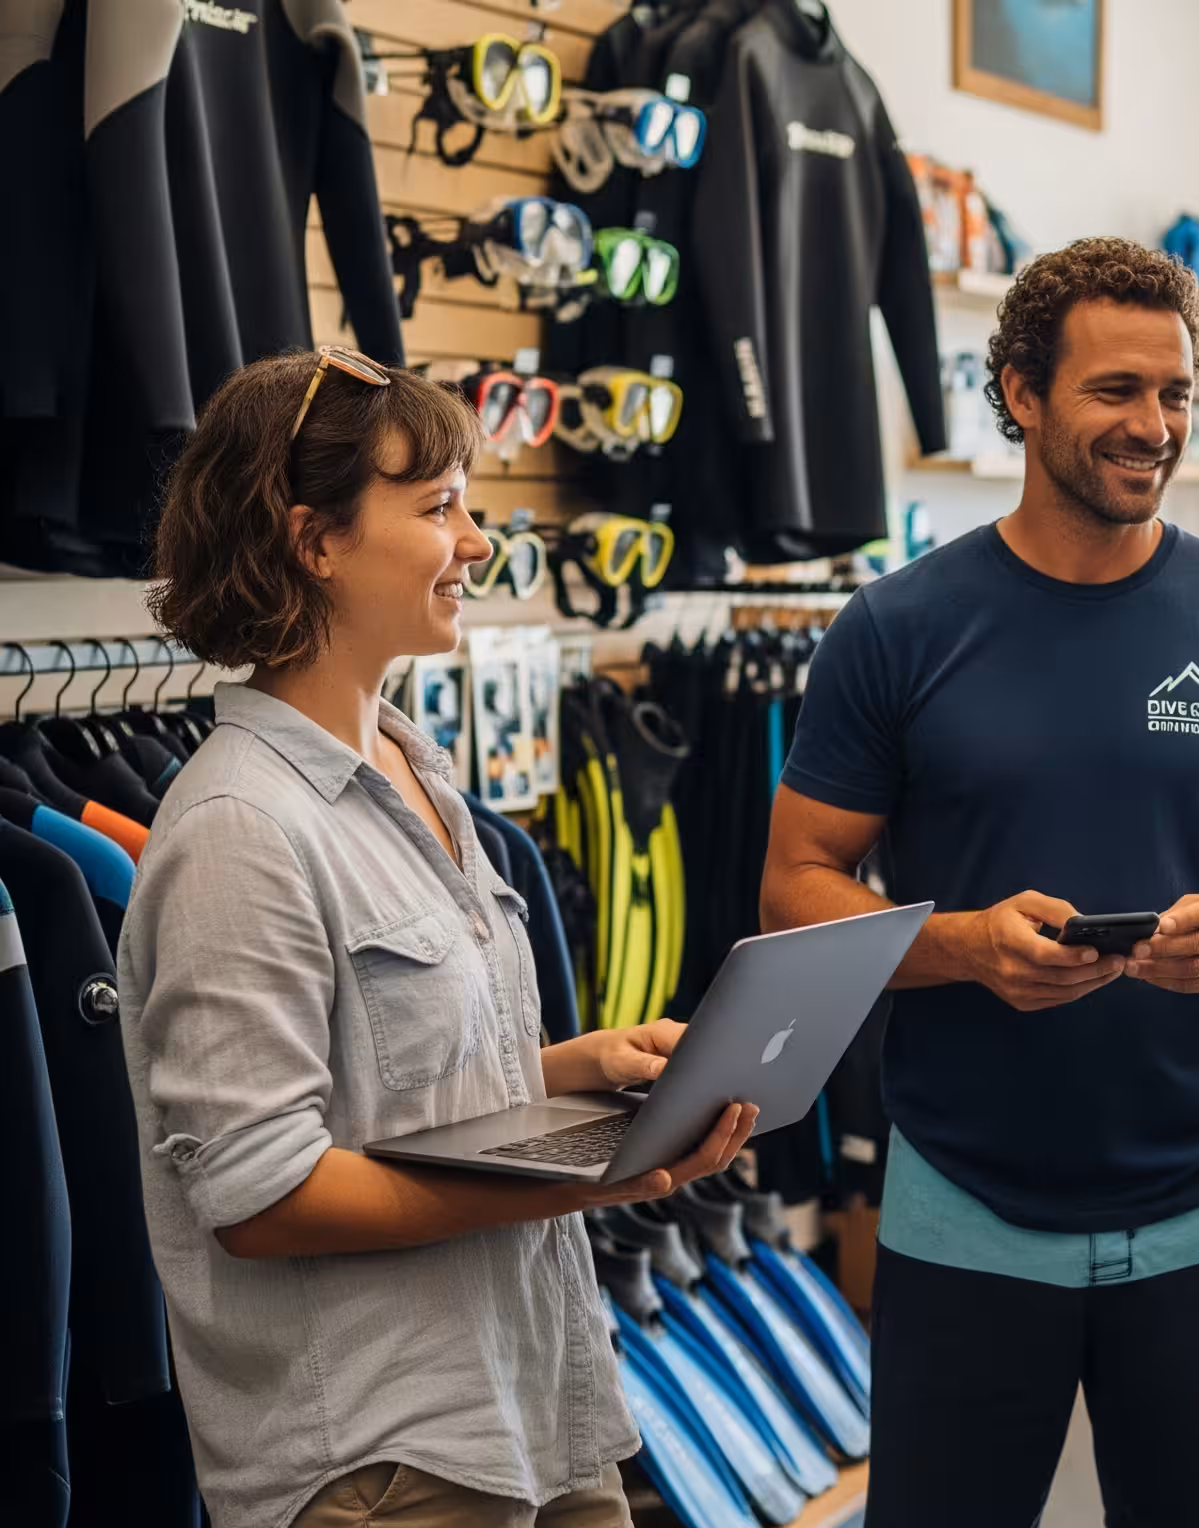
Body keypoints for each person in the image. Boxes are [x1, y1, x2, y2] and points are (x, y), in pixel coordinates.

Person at [759, 236, 1199, 1526]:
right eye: (1114, 390)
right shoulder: (897, 628)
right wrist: (965, 945)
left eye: (1174, 393)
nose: (1154, 425)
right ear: (1021, 394)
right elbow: (794, 886)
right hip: (961, 1199)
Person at [117, 348, 759, 1528]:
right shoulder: (238, 830)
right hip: (382, 1462)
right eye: (439, 508)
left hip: (533, 1401)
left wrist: (574, 1070)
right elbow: (262, 1195)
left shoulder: (417, 772)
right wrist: (571, 1176)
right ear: (314, 541)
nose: (475, 542)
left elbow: (391, 1090)